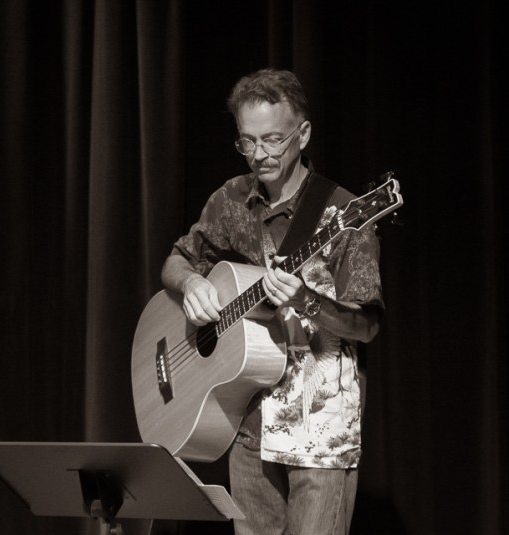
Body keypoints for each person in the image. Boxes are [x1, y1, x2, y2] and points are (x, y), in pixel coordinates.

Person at [161, 68, 384, 535]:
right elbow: (177, 261)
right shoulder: (232, 199)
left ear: (303, 134)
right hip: (249, 418)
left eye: (272, 140)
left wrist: (307, 300)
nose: (259, 154)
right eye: (247, 141)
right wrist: (192, 284)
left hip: (320, 428)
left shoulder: (344, 213)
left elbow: (366, 327)